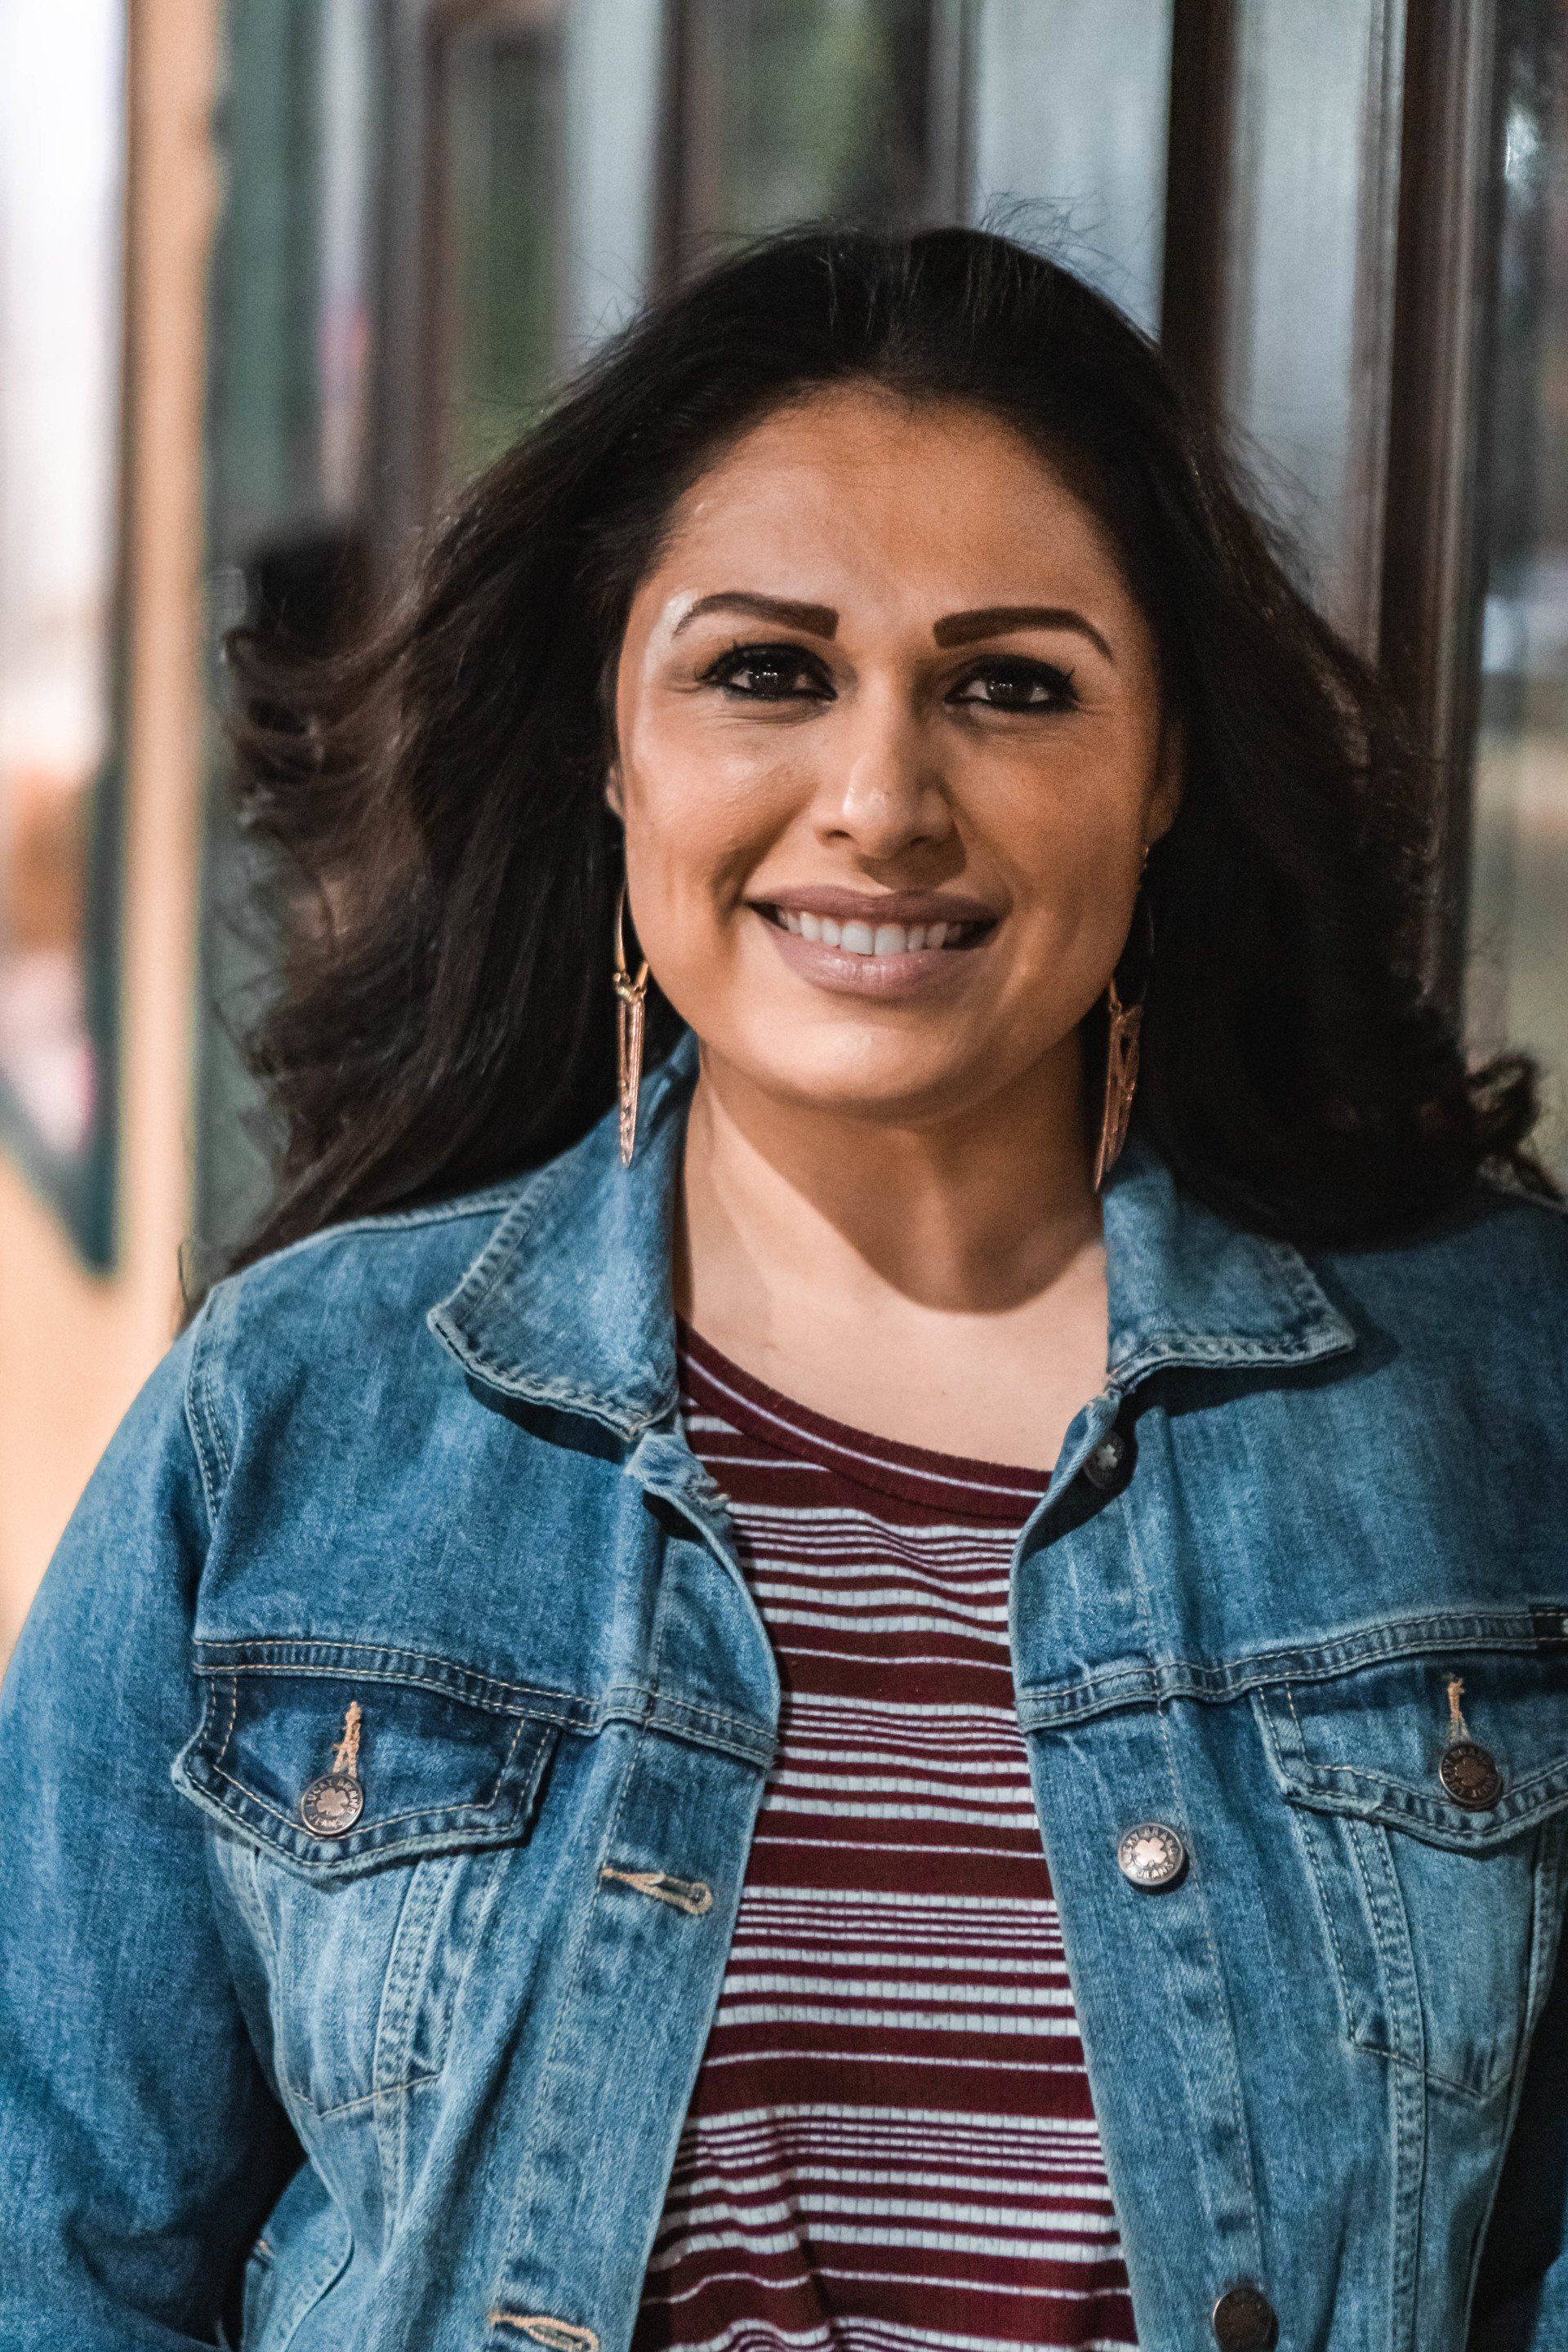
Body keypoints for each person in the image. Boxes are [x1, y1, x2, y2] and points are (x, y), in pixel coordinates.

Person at [1, 223, 1565, 2352]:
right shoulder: (292, 1420)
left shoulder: (1497, 1399)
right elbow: (53, 2259)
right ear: (608, 744)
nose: (880, 800)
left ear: (1171, 765)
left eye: (1012, 685)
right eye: (767, 672)